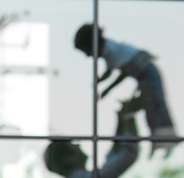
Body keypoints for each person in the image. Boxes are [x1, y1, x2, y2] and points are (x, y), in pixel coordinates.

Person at [74, 24, 175, 154]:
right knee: (150, 108)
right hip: (142, 76)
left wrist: (107, 89)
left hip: (147, 73)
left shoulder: (111, 50)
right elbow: (110, 70)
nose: (88, 55)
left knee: (157, 105)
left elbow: (124, 72)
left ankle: (167, 141)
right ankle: (160, 143)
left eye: (86, 51)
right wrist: (100, 81)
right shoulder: (108, 51)